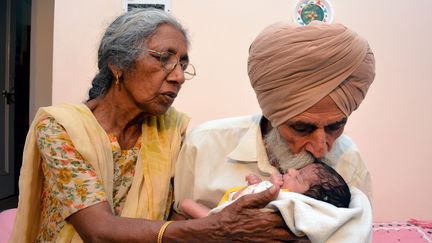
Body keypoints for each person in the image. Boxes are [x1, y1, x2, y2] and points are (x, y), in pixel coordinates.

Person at [10, 9, 296, 243]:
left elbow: (178, 211)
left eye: (183, 64)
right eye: (164, 59)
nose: (179, 77)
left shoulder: (173, 130)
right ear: (117, 64)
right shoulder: (61, 128)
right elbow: (97, 230)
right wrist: (216, 229)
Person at [174, 21, 376, 242]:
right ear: (273, 115)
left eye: (335, 126)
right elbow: (178, 223)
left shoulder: (349, 159)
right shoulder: (204, 144)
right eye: (301, 128)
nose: (320, 149)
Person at [180, 161, 351, 219]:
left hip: (220, 218)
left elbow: (264, 201)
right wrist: (253, 184)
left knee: (187, 205)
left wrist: (274, 185)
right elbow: (254, 195)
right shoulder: (278, 192)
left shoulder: (287, 202)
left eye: (298, 177)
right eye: (298, 170)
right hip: (226, 207)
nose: (291, 171)